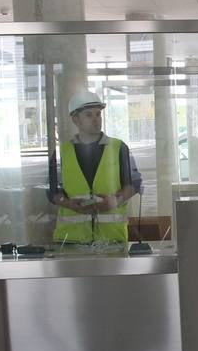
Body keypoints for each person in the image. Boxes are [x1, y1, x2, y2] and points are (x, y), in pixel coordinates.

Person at [49, 89, 142, 245]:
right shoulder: (61, 153)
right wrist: (68, 203)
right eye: (89, 115)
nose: (96, 120)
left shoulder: (118, 148)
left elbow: (133, 184)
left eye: (98, 114)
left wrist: (115, 201)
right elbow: (52, 191)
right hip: (71, 240)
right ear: (75, 119)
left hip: (112, 239)